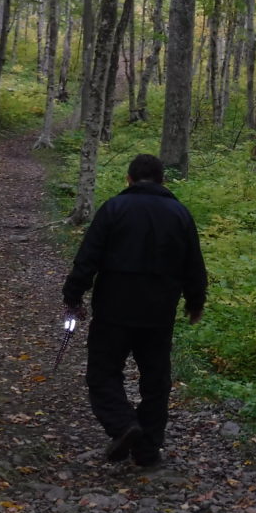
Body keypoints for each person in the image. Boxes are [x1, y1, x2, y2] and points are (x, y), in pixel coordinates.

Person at [63, 154, 207, 467]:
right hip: (159, 312)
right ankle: (147, 449)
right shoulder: (180, 214)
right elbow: (194, 263)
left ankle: (124, 425)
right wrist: (195, 302)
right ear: (162, 180)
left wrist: (73, 294)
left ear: (129, 179)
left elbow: (88, 256)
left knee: (102, 373)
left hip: (114, 308)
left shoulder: (114, 209)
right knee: (156, 380)